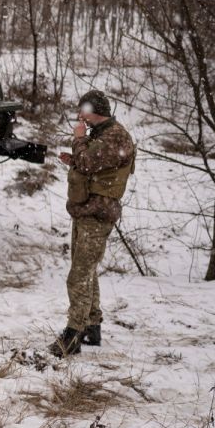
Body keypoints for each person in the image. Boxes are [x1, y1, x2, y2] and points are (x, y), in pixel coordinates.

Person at [50, 89, 135, 356]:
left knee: (79, 276)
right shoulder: (103, 134)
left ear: (92, 110)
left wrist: (78, 143)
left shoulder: (114, 136)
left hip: (97, 214)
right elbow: (91, 164)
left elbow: (88, 162)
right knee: (86, 271)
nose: (79, 116)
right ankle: (91, 326)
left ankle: (73, 335)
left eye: (82, 110)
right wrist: (74, 158)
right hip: (88, 211)